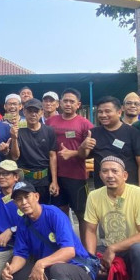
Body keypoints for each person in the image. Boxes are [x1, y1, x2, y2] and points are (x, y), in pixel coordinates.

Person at [46, 88, 93, 232]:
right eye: (65, 101)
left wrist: (73, 153)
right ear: (60, 103)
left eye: (72, 101)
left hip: (77, 176)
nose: (68, 104)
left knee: (82, 214)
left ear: (78, 104)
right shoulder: (50, 121)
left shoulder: (85, 124)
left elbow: (89, 153)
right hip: (55, 175)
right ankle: (66, 246)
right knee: (60, 213)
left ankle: (86, 252)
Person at [80, 96, 140, 190]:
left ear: (119, 112)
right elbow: (83, 155)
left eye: (107, 111)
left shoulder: (134, 134)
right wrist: (83, 147)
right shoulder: (93, 133)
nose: (103, 115)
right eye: (100, 112)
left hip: (128, 188)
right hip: (102, 189)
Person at [12, 98, 58, 205]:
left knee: (44, 209)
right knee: (25, 208)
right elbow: (15, 156)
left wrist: (54, 181)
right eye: (30, 111)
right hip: (25, 178)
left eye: (36, 111)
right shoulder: (18, 131)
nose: (33, 114)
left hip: (44, 179)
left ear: (41, 112)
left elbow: (52, 156)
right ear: (24, 112)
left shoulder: (49, 131)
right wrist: (14, 138)